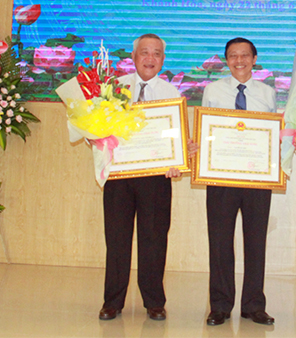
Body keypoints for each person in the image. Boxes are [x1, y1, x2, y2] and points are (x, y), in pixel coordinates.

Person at [98, 33, 182, 321]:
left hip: (156, 177)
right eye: (144, 52)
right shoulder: (113, 89)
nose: (150, 58)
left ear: (163, 59)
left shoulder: (172, 94)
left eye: (157, 53)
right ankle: (112, 301)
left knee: (155, 239)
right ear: (133, 58)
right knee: (117, 239)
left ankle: (154, 302)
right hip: (119, 175)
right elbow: (97, 132)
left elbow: (176, 138)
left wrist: (176, 161)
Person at [201, 37, 276, 326]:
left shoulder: (268, 93)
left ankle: (254, 305)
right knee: (220, 242)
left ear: (255, 59)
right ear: (226, 60)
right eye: (233, 55)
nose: (239, 60)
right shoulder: (212, 90)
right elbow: (206, 129)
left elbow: (271, 133)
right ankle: (220, 305)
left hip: (257, 178)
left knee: (256, 242)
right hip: (220, 177)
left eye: (245, 55)